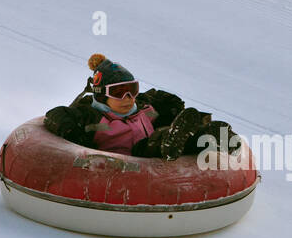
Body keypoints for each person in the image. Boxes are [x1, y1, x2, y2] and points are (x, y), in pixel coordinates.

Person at [43, 54, 238, 161]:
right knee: (155, 142)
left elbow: (165, 100)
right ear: (102, 95)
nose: (128, 98)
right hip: (131, 159)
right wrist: (72, 133)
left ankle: (217, 137)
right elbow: (56, 114)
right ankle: (171, 140)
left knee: (194, 135)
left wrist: (173, 109)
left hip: (160, 143)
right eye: (119, 92)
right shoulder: (91, 116)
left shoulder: (143, 107)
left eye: (132, 89)